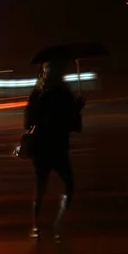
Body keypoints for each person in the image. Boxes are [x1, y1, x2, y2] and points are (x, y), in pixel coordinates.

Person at [24, 58, 84, 241]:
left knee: (40, 187)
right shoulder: (65, 95)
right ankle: (57, 223)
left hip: (41, 148)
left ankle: (36, 226)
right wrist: (78, 108)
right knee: (69, 185)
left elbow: (27, 123)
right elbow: (74, 126)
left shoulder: (37, 94)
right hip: (59, 147)